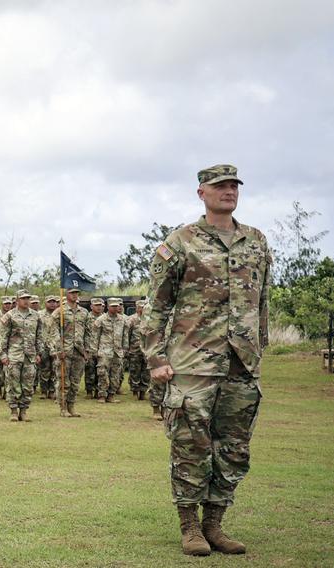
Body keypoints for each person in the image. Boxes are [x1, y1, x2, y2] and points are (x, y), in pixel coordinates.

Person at [143, 164, 270, 556]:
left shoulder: (256, 241)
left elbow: (263, 301)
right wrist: (155, 357)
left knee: (234, 447)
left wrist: (259, 348)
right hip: (192, 363)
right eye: (219, 186)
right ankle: (190, 527)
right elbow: (155, 306)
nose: (228, 191)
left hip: (241, 365)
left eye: (233, 185)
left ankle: (215, 523)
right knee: (190, 444)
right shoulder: (180, 242)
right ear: (202, 192)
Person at [0, 289, 45, 421]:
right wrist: (3, 355)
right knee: (12, 383)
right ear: (17, 300)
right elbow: (2, 336)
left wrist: (39, 353)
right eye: (23, 298)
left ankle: (23, 411)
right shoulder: (9, 316)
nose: (26, 301)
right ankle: (13, 411)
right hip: (14, 355)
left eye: (28, 298)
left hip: (30, 356)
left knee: (28, 385)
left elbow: (39, 336)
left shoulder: (36, 316)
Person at [48, 288, 91, 417]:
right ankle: (63, 407)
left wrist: (87, 350)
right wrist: (58, 349)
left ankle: (71, 406)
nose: (74, 295)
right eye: (72, 293)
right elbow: (53, 332)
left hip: (79, 351)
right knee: (63, 381)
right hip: (65, 351)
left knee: (75, 381)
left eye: (76, 293)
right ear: (66, 294)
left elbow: (88, 333)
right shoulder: (59, 312)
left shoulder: (84, 312)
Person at [93, 298, 128, 403]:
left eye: (117, 306)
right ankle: (102, 395)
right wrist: (94, 350)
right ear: (108, 307)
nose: (115, 308)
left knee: (115, 374)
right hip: (104, 351)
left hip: (117, 351)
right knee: (102, 373)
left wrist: (125, 349)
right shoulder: (101, 319)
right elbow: (95, 336)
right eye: (113, 306)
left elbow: (125, 335)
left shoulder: (122, 320)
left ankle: (111, 395)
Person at [125, 299, 149, 401]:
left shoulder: (149, 320)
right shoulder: (131, 319)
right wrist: (127, 348)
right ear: (137, 308)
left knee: (146, 372)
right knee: (135, 371)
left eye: (144, 307)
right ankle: (135, 391)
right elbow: (127, 335)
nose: (142, 309)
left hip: (147, 350)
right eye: (140, 307)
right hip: (135, 350)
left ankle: (143, 391)